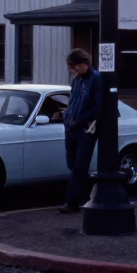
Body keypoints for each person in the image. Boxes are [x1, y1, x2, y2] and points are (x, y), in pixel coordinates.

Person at [58, 48, 104, 214]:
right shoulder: (76, 80)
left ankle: (71, 202)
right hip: (71, 127)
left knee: (79, 166)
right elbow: (73, 101)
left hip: (86, 129)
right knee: (72, 163)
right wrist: (66, 116)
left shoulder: (96, 79)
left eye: (74, 66)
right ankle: (83, 195)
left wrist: (81, 118)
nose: (73, 70)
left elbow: (98, 106)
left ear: (84, 63)